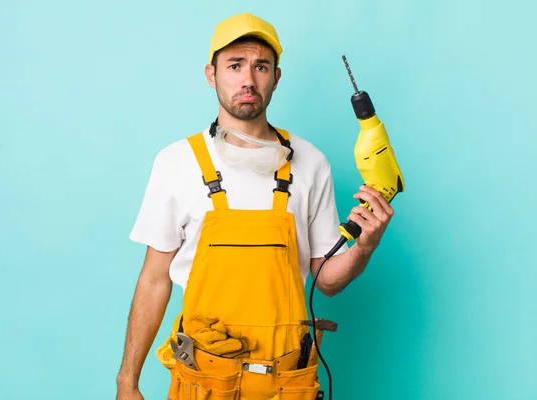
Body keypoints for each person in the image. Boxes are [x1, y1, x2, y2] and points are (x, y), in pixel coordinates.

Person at [116, 12, 394, 400]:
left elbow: (327, 281)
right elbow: (154, 279)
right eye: (235, 65)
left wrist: (365, 247)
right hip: (205, 379)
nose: (248, 79)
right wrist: (127, 382)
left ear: (276, 78)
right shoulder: (176, 163)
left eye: (261, 66)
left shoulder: (310, 163)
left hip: (287, 382)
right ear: (212, 74)